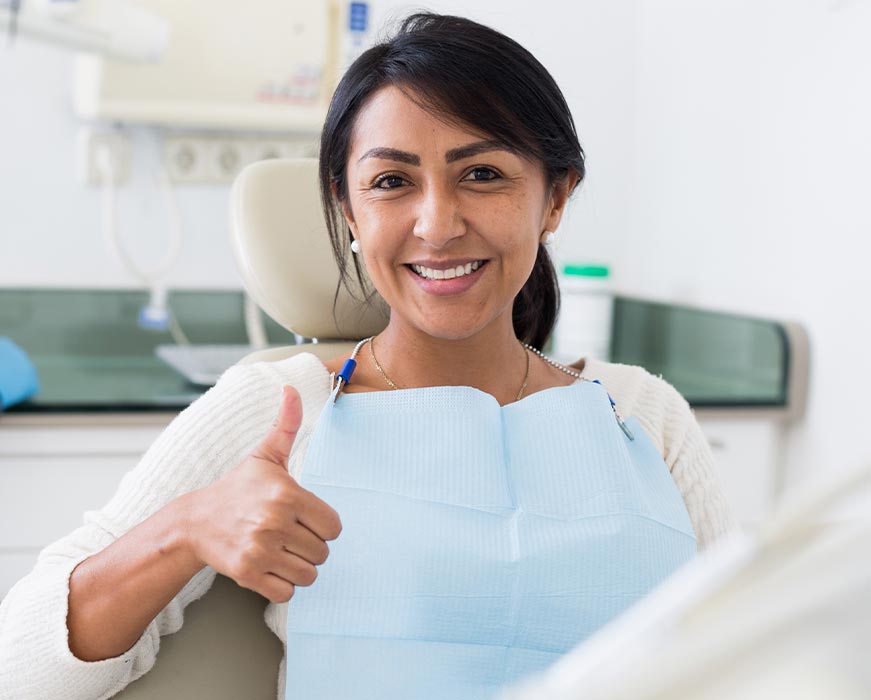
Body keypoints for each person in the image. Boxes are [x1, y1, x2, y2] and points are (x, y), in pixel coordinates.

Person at [0, 13, 735, 700]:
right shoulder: (279, 410)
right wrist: (185, 529)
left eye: (482, 174)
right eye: (391, 182)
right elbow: (20, 671)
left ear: (554, 199)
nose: (437, 223)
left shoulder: (643, 416)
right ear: (349, 211)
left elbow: (745, 650)